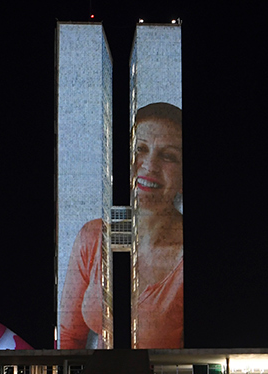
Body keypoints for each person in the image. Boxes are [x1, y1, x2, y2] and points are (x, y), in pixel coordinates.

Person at [58, 102, 183, 349]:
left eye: (168, 156)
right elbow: (69, 337)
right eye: (140, 150)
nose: (148, 166)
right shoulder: (92, 237)